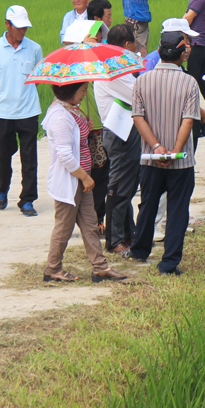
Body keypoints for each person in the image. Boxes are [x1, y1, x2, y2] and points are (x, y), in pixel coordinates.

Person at [128, 31, 200, 275]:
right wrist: (175, 151)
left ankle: (140, 250)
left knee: (148, 204)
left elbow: (138, 117)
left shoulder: (142, 80)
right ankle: (169, 262)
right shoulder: (189, 82)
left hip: (151, 158)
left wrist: (157, 147)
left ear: (159, 52)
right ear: (182, 55)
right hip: (181, 162)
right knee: (178, 209)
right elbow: (188, 120)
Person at [41, 81, 127, 283]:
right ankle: (52, 268)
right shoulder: (60, 116)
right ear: (69, 91)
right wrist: (85, 177)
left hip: (81, 177)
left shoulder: (72, 110)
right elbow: (64, 154)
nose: (84, 94)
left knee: (90, 223)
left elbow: (76, 140)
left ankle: (100, 267)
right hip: (71, 178)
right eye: (82, 90)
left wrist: (85, 128)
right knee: (64, 226)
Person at [0, 5, 43, 216]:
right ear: (7, 24)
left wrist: (24, 93)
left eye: (25, 27)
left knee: (29, 158)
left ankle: (27, 200)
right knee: (2, 155)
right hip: (2, 113)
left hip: (28, 112)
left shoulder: (34, 49)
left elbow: (37, 78)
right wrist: (3, 91)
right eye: (19, 27)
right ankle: (2, 188)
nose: (23, 31)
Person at [96, 24, 141, 253]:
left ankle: (128, 234)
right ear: (127, 45)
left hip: (125, 131)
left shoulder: (115, 64)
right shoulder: (114, 69)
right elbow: (139, 94)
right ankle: (114, 240)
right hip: (119, 133)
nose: (136, 49)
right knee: (119, 187)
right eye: (134, 45)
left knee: (127, 186)